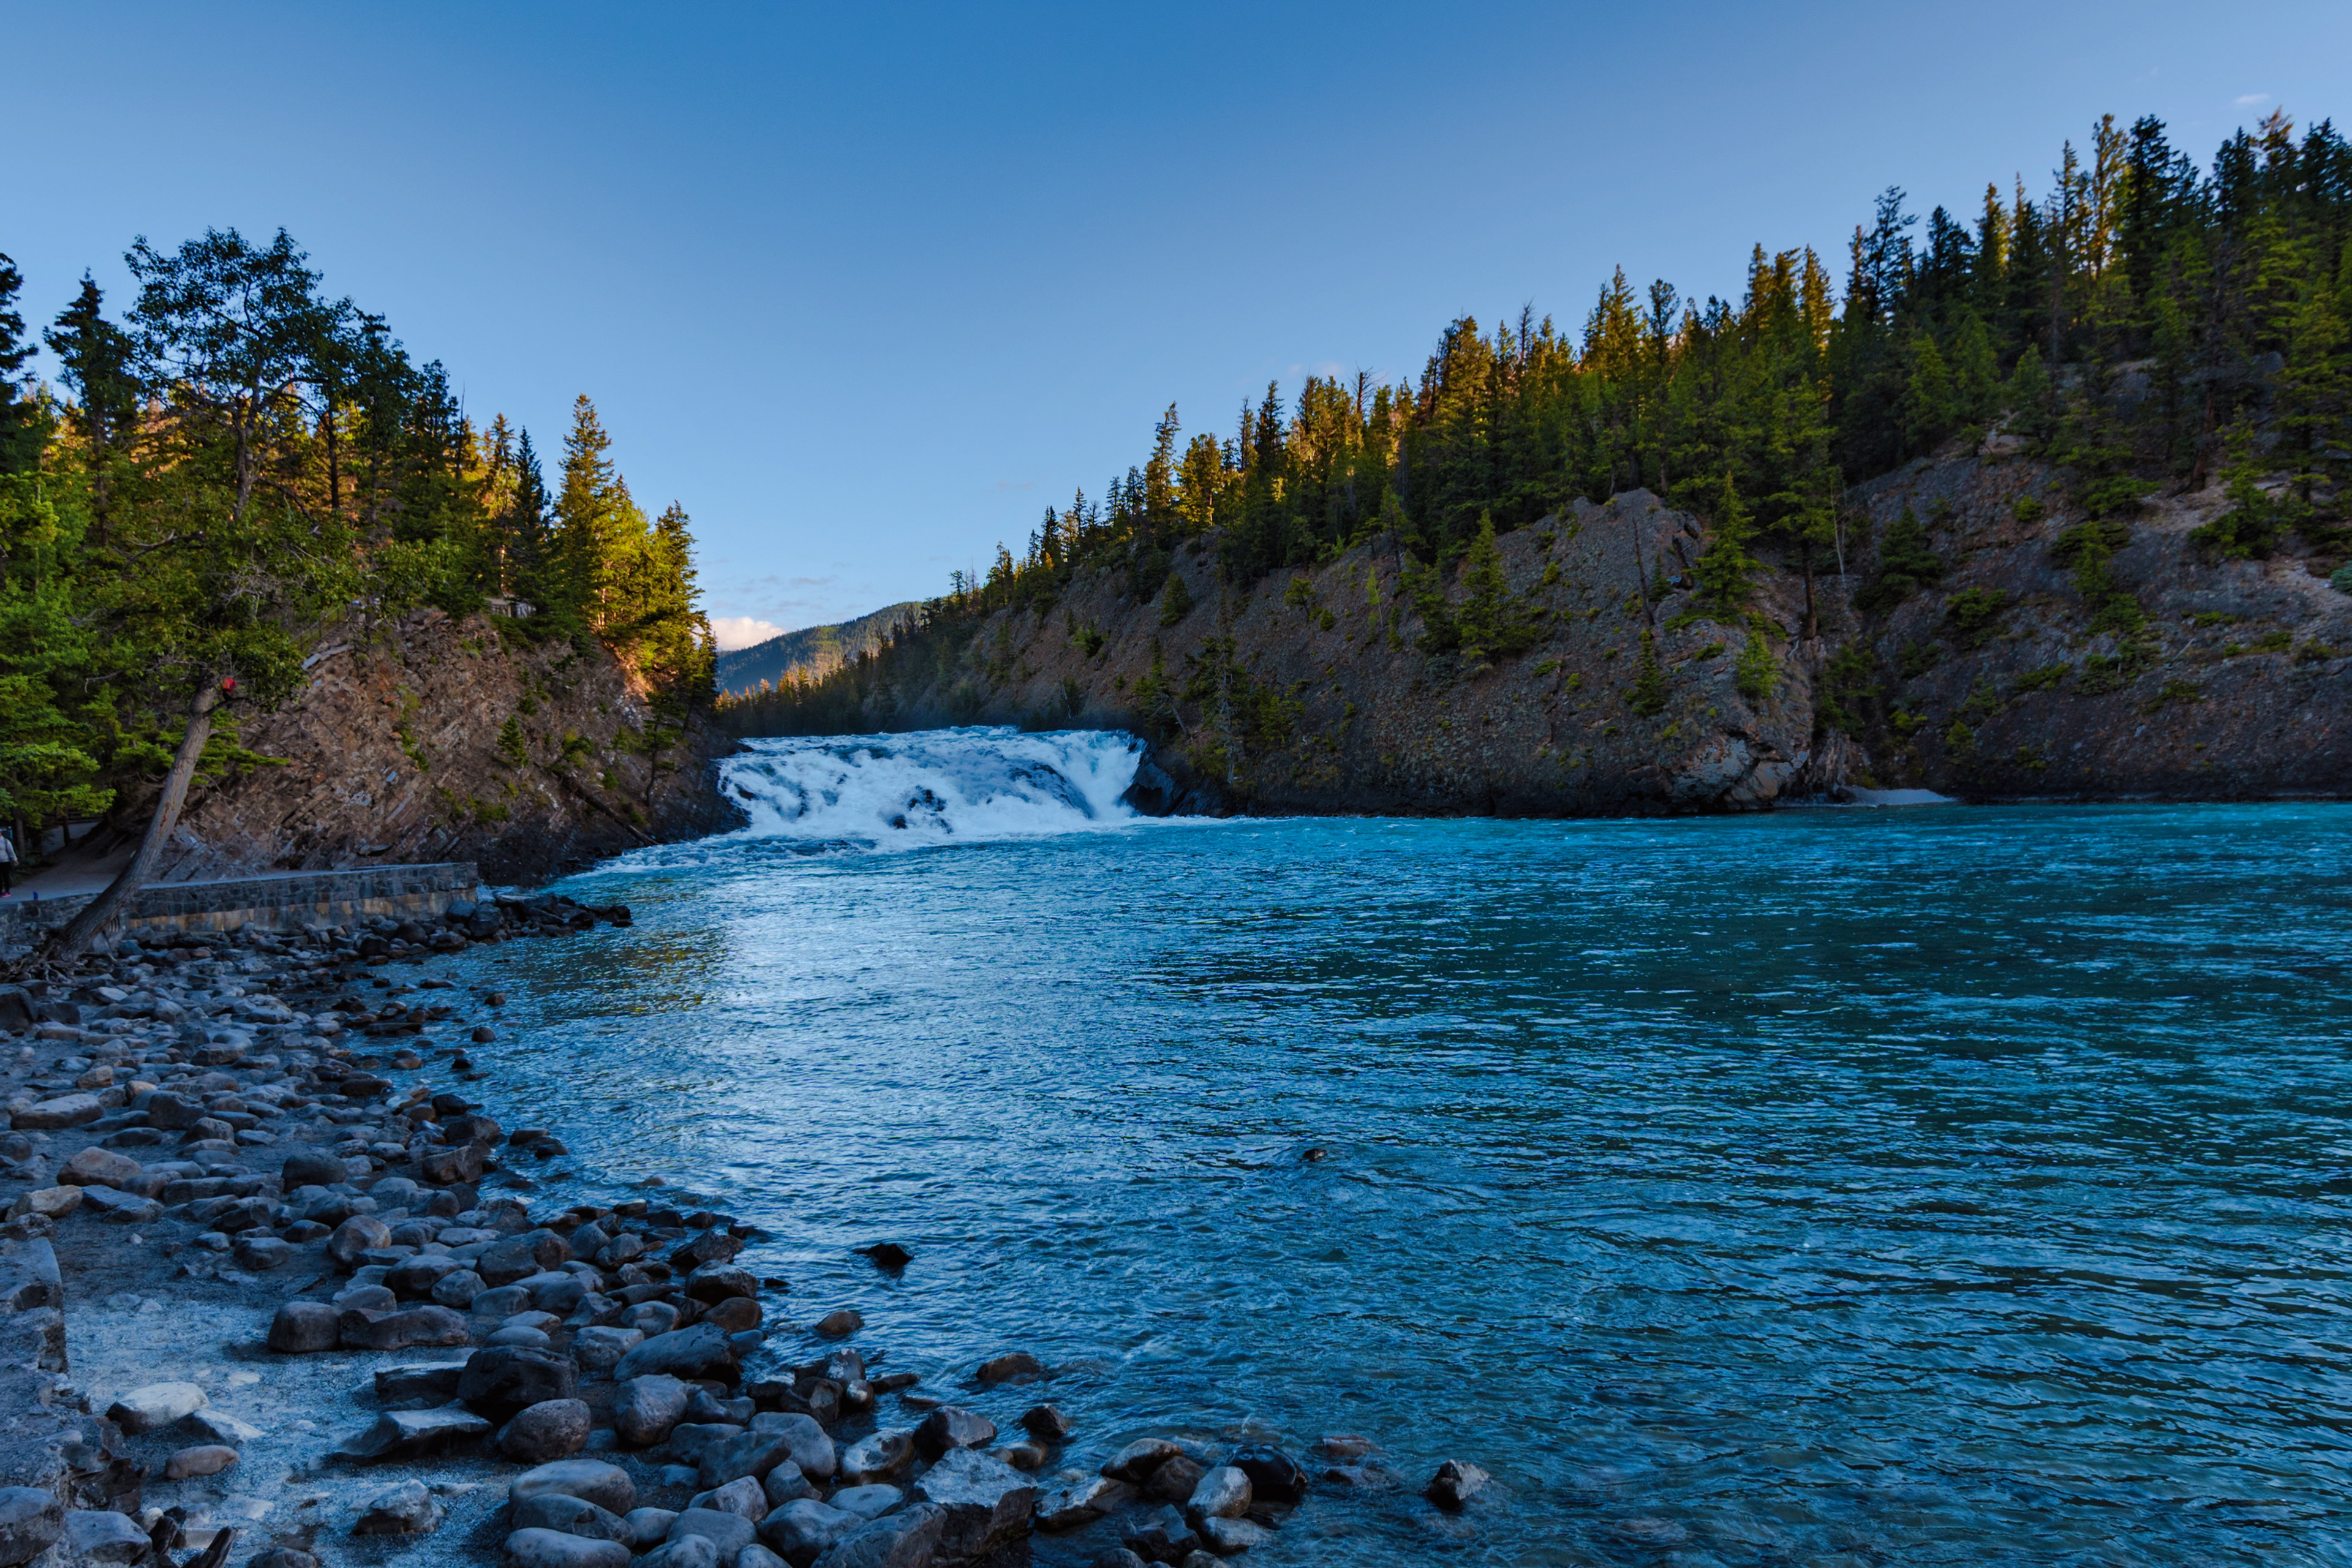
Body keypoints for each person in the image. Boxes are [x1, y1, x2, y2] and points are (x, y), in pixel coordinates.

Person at [0, 828, 14, 896]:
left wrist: (14, 859)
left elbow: (11, 851)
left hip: (5, 861)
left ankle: (7, 891)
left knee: (6, 877)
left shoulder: (5, 841)